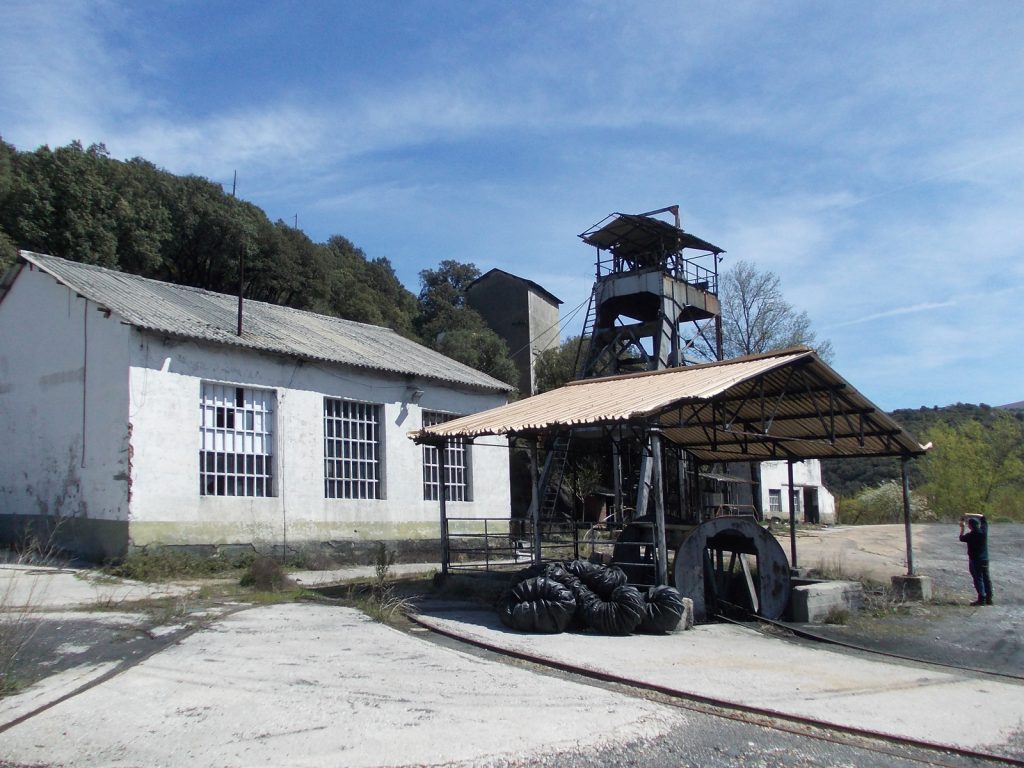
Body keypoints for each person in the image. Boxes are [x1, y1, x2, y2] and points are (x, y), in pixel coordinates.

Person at [959, 514, 993, 606]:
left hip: (975, 560)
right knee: (986, 578)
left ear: (970, 526)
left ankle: (982, 598)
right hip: (985, 559)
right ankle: (989, 598)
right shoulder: (983, 532)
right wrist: (968, 514)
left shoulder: (970, 535)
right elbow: (983, 517)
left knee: (978, 578)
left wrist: (962, 527)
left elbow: (961, 538)